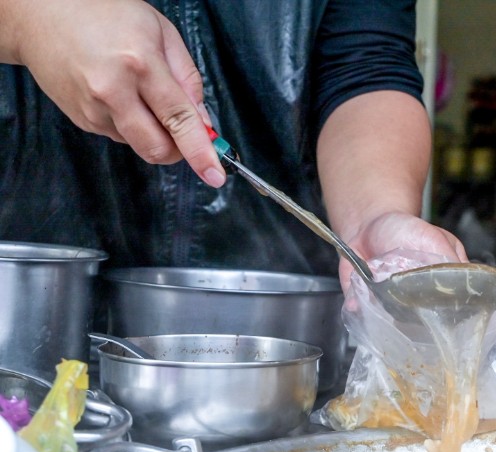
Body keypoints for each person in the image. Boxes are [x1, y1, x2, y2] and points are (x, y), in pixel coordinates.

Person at [0, 0, 466, 296]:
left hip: (276, 335)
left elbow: (363, 65)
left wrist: (373, 220)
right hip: (26, 299)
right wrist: (30, 17)